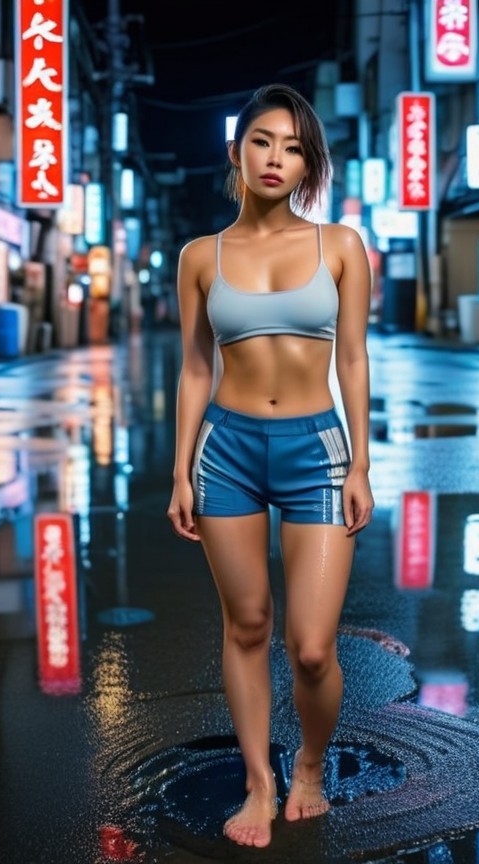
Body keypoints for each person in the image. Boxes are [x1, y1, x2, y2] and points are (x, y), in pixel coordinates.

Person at [167, 82, 374, 848]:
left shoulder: (341, 246)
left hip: (316, 448)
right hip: (227, 450)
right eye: (263, 141)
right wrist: (180, 471)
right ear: (237, 151)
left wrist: (359, 464)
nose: (276, 158)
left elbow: (351, 357)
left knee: (312, 645)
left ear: (309, 162)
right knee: (247, 623)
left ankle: (311, 764)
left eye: (293, 147)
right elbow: (193, 369)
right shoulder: (200, 257)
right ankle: (260, 782)